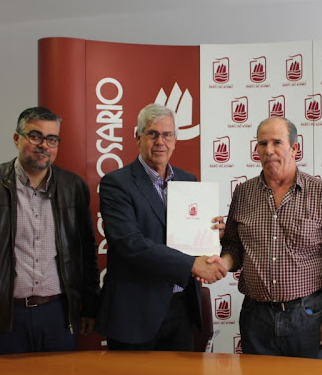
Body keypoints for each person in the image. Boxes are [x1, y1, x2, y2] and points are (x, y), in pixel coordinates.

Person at [0, 106, 100, 356]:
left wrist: (90, 307)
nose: (44, 145)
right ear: (16, 138)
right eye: (35, 136)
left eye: (52, 139)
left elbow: (86, 253)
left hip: (58, 315)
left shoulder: (73, 188)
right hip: (3, 317)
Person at [96, 103, 227, 351]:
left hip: (181, 308)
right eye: (152, 134)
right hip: (135, 313)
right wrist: (191, 264)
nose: (160, 142)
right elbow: (131, 244)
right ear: (138, 137)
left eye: (167, 135)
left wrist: (211, 233)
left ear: (175, 140)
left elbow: (187, 237)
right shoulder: (116, 183)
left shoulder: (188, 181)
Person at [218, 116, 322, 359]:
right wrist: (221, 264)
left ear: (294, 148)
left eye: (277, 142)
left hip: (307, 316)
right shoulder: (243, 193)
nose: (269, 150)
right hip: (256, 317)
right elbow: (234, 247)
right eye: (262, 144)